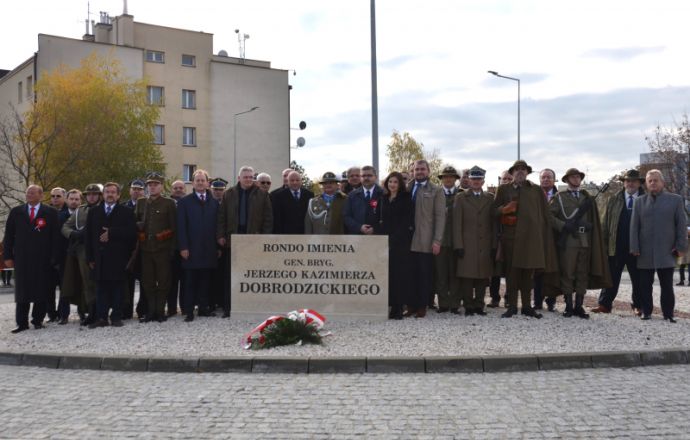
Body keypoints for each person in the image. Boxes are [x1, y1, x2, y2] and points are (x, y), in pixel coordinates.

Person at [493, 160, 557, 318]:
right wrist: (504, 209)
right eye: (517, 170)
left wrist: (543, 237)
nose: (520, 172)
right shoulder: (503, 189)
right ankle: (512, 306)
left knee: (528, 275)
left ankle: (528, 306)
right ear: (512, 172)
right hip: (510, 238)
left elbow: (545, 214)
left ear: (527, 172)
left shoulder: (535, 190)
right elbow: (493, 212)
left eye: (523, 169)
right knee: (512, 274)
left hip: (531, 239)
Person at [549, 168, 610, 319]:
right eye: (573, 177)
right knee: (568, 273)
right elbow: (549, 216)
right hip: (569, 241)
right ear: (567, 180)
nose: (576, 179)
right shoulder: (560, 197)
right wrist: (563, 226)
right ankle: (569, 305)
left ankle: (579, 306)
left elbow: (593, 219)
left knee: (582, 273)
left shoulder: (586, 197)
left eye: (578, 177)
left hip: (585, 240)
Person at [630, 169, 688, 322]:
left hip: (667, 250)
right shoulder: (639, 201)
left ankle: (668, 314)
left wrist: (681, 246)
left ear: (663, 182)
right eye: (650, 181)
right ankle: (646, 311)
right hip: (644, 251)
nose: (653, 183)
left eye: (656, 180)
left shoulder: (675, 200)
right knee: (645, 285)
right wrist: (634, 247)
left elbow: (681, 225)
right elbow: (634, 226)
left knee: (667, 286)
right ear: (647, 184)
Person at [217, 166, 273, 317]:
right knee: (230, 275)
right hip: (233, 239)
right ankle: (228, 308)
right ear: (239, 178)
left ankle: (251, 306)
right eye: (245, 177)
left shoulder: (262, 194)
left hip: (253, 239)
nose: (248, 179)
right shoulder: (229, 194)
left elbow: (268, 219)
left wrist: (264, 238)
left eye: (250, 177)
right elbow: (222, 217)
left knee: (252, 275)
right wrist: (220, 235)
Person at [3, 185, 60, 333]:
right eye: (27, 192)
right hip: (22, 258)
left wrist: (54, 257)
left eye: (32, 193)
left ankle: (38, 320)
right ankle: (21, 323)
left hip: (43, 258)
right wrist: (7, 256)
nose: (29, 195)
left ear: (41, 195)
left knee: (41, 290)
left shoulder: (50, 212)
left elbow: (55, 237)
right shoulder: (16, 212)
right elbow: (9, 236)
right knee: (22, 292)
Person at [591, 169, 645, 315]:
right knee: (611, 277)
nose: (630, 183)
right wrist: (604, 246)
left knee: (638, 279)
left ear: (640, 183)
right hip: (616, 246)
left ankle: (638, 305)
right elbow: (604, 224)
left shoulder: (647, 199)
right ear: (624, 183)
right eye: (627, 180)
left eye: (634, 181)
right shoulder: (614, 199)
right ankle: (604, 305)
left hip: (638, 248)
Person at [85, 182, 137, 328]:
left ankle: (116, 317)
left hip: (118, 257)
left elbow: (132, 234)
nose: (110, 194)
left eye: (113, 192)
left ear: (118, 195)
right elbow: (88, 236)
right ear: (103, 194)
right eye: (107, 192)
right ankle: (101, 317)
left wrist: (112, 233)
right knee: (101, 289)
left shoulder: (126, 212)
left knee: (117, 289)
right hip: (99, 258)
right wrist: (89, 258)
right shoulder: (94, 212)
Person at [177, 169, 220, 321]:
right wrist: (183, 247)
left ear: (208, 183)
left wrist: (218, 247)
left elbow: (217, 226)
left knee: (205, 281)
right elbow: (181, 227)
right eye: (197, 180)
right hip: (191, 249)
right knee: (189, 281)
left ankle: (203, 308)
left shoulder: (214, 203)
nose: (200, 183)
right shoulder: (184, 202)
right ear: (193, 183)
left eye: (203, 180)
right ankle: (189, 311)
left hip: (208, 248)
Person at [453, 166, 496, 316]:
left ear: (483, 181)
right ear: (469, 180)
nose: (476, 182)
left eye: (479, 179)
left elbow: (493, 223)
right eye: (473, 179)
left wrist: (494, 245)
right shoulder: (461, 197)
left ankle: (479, 304)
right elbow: (456, 223)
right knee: (467, 277)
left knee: (482, 277)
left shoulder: (490, 198)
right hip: (467, 243)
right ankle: (469, 305)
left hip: (485, 243)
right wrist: (458, 245)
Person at [135, 172, 177, 323]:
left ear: (161, 186)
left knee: (164, 282)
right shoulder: (141, 202)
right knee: (148, 282)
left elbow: (174, 228)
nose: (152, 187)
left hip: (163, 249)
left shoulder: (169, 203)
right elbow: (135, 223)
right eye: (150, 185)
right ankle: (151, 311)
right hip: (145, 249)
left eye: (155, 185)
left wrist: (172, 249)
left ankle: (160, 311)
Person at [407, 159, 445, 317]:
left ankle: (422, 306)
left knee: (424, 275)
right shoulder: (407, 188)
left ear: (428, 172)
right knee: (409, 274)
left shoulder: (436, 191)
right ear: (412, 172)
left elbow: (440, 217)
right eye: (417, 169)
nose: (419, 172)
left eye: (423, 169)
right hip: (407, 240)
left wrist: (437, 241)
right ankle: (411, 305)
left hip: (426, 240)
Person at [374, 172, 414, 320]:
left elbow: (407, 222)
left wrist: (394, 238)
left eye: (395, 182)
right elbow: (379, 219)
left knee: (399, 276)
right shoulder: (383, 198)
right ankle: (389, 305)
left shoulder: (406, 198)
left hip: (400, 242)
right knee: (388, 275)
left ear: (400, 184)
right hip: (384, 242)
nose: (392, 184)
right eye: (390, 181)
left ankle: (398, 308)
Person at [61, 184, 102, 325]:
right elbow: (65, 227)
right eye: (89, 194)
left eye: (95, 194)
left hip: (102, 249)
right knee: (87, 281)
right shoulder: (79, 211)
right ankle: (91, 311)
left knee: (103, 281)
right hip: (83, 250)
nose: (91, 196)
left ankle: (104, 311)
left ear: (99, 196)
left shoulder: (105, 208)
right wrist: (73, 234)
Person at [434, 166, 462, 314]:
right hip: (440, 241)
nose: (448, 179)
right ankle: (443, 303)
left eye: (451, 176)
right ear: (442, 179)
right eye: (445, 177)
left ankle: (455, 304)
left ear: (456, 179)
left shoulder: (462, 195)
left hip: (456, 241)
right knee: (441, 274)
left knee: (455, 274)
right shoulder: (436, 194)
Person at [54, 189, 82, 324]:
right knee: (65, 286)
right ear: (67, 200)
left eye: (77, 199)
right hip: (64, 257)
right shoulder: (59, 216)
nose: (74, 202)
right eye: (72, 199)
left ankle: (83, 313)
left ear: (80, 201)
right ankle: (63, 315)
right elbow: (55, 239)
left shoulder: (85, 215)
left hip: (82, 256)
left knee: (82, 284)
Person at [533, 168, 558, 312]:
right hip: (538, 239)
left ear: (554, 180)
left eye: (549, 177)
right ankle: (537, 301)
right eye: (543, 177)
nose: (546, 179)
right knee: (538, 272)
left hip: (555, 238)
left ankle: (551, 301)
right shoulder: (534, 194)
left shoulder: (560, 196)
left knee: (553, 272)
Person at [488, 170, 513, 308]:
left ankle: (509, 298)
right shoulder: (493, 198)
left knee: (510, 271)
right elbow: (492, 214)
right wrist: (503, 210)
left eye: (509, 178)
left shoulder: (517, 197)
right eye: (504, 178)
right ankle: (494, 298)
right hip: (497, 238)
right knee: (495, 272)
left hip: (512, 238)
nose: (506, 181)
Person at [122, 179, 145, 320]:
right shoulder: (124, 206)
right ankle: (127, 310)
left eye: (139, 189)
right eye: (134, 188)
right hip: (128, 248)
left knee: (144, 281)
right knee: (127, 282)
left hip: (143, 248)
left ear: (144, 191)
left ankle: (142, 310)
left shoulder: (148, 205)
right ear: (130, 190)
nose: (136, 191)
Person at [46, 187, 68, 322]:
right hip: (48, 255)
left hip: (64, 255)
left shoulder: (69, 212)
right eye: (53, 196)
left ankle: (62, 314)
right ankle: (51, 314)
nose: (55, 198)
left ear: (64, 197)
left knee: (64, 287)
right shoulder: (45, 212)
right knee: (48, 288)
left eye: (58, 196)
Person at [343, 165, 383, 235]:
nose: (366, 178)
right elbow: (346, 216)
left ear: (375, 177)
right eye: (363, 176)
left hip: (378, 236)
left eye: (369, 175)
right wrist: (359, 227)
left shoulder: (384, 194)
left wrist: (375, 228)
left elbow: (388, 217)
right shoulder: (352, 195)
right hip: (357, 236)